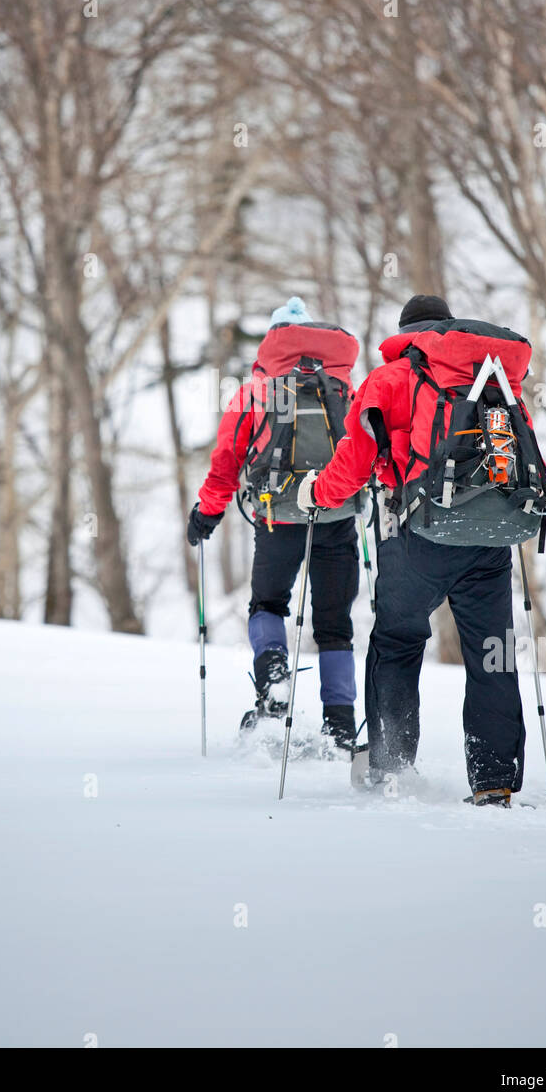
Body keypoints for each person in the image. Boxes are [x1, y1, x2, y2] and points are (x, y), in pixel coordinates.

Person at [296, 294, 527, 806]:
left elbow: (354, 462)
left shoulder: (391, 379)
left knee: (397, 642)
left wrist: (316, 493)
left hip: (416, 535)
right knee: (493, 656)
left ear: (405, 331)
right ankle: (494, 784)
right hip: (490, 537)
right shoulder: (490, 375)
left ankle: (391, 766)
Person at [187, 297, 361, 751]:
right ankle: (341, 725)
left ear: (271, 342)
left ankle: (274, 683)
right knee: (335, 624)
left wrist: (207, 512)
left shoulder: (254, 393)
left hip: (277, 516)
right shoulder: (344, 389)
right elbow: (369, 450)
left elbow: (226, 462)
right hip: (337, 516)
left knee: (267, 604)